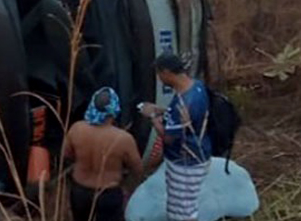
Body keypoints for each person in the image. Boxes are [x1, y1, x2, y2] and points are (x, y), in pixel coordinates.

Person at [140, 52, 212, 221]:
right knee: (187, 204)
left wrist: (152, 116)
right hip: (199, 153)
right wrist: (162, 110)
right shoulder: (197, 87)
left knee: (183, 212)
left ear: (166, 72)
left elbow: (168, 138)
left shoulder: (184, 103)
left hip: (185, 163)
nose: (158, 78)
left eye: (158, 73)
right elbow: (189, 120)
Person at [64, 87, 144, 221]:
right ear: (114, 110)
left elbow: (66, 155)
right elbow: (138, 169)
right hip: (108, 195)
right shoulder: (123, 138)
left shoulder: (76, 129)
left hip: (80, 191)